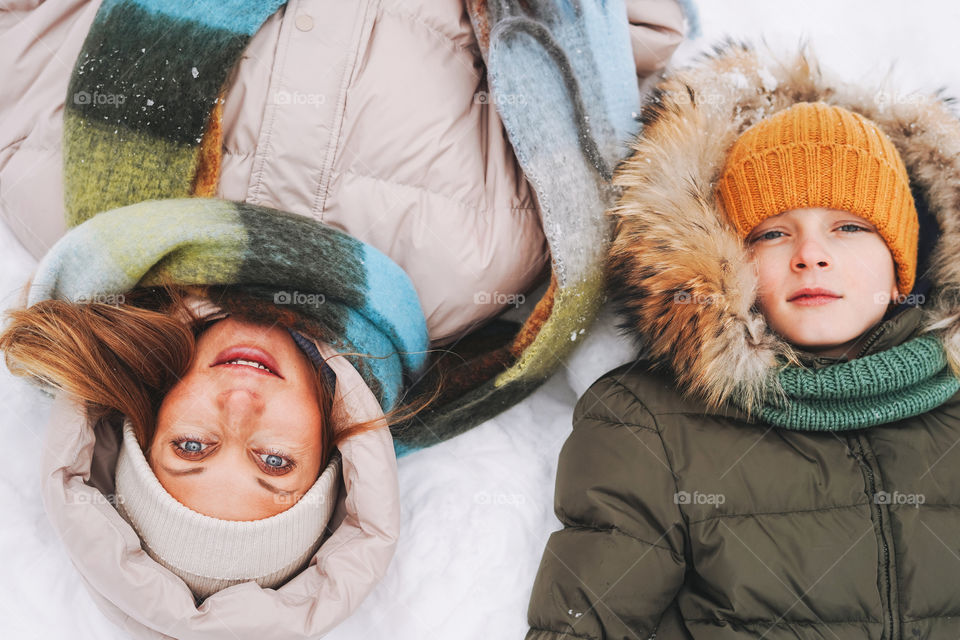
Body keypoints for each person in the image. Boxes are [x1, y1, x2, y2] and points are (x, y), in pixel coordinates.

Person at [0, 0, 693, 638]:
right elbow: (620, 36)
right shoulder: (480, 267)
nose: (239, 408)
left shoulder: (58, 187)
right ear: (333, 450)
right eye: (274, 461)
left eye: (192, 447)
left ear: (146, 417)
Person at [525, 43, 960, 639]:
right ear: (727, 258)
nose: (811, 255)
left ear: (902, 261)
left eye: (849, 227)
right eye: (773, 232)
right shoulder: (648, 422)